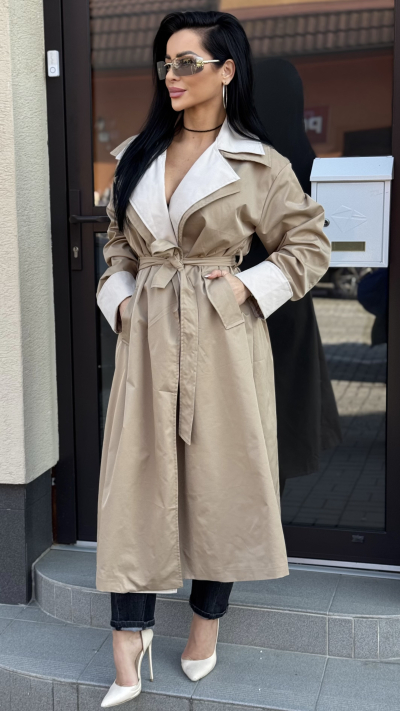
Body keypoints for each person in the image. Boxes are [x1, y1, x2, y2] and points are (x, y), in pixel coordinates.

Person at [95, 11, 331, 708]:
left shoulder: (259, 163)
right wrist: (123, 302)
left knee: (219, 479)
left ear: (227, 70)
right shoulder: (137, 154)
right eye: (166, 63)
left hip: (222, 340)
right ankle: (127, 635)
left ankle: (205, 625)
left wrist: (245, 287)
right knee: (134, 483)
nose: (172, 76)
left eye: (188, 63)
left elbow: (309, 244)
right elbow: (118, 246)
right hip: (147, 339)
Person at [240, 58, 342, 493]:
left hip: (244, 301)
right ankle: (271, 517)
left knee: (245, 425)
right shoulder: (304, 157)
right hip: (287, 299)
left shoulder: (252, 161)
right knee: (280, 421)